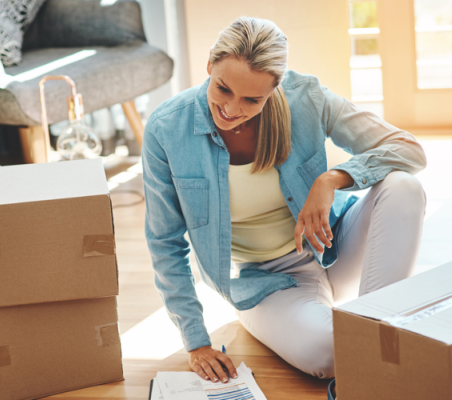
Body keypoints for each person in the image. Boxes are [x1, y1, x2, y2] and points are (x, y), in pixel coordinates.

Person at [141, 16, 426, 382]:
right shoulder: (167, 129)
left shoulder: (306, 98)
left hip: (334, 245)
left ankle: (378, 330)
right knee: (330, 352)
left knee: (404, 187)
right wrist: (196, 343)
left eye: (252, 99)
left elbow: (409, 150)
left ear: (275, 88)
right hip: (270, 282)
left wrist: (331, 180)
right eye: (223, 88)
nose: (231, 108)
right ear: (210, 64)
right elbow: (165, 242)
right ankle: (377, 348)